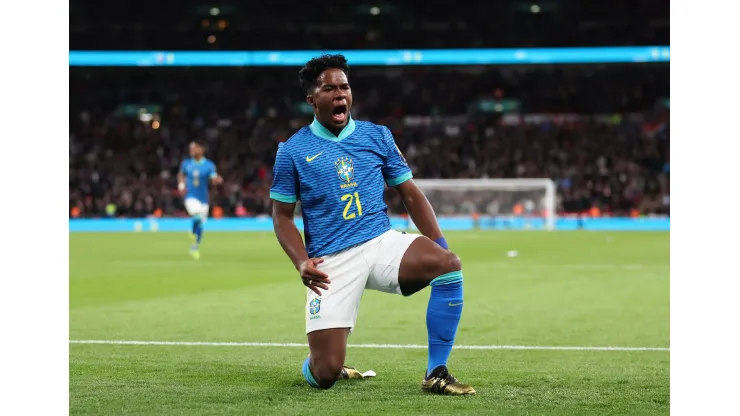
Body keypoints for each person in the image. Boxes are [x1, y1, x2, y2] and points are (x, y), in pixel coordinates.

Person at [270, 54, 474, 395]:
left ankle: (436, 371)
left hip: (379, 242)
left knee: (448, 267)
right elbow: (282, 216)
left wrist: (438, 245)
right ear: (312, 99)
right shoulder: (292, 151)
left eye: (345, 87)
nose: (340, 95)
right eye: (329, 88)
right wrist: (301, 261)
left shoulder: (376, 136)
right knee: (325, 375)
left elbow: (410, 194)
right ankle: (320, 362)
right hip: (331, 262)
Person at [177, 140, 223, 259]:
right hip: (191, 196)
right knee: (196, 215)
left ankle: (195, 246)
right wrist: (181, 185)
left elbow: (213, 179)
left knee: (201, 224)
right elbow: (181, 174)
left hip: (203, 199)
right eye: (190, 148)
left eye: (194, 148)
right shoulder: (186, 163)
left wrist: (217, 180)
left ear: (201, 150)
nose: (191, 151)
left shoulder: (209, 165)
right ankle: (192, 233)